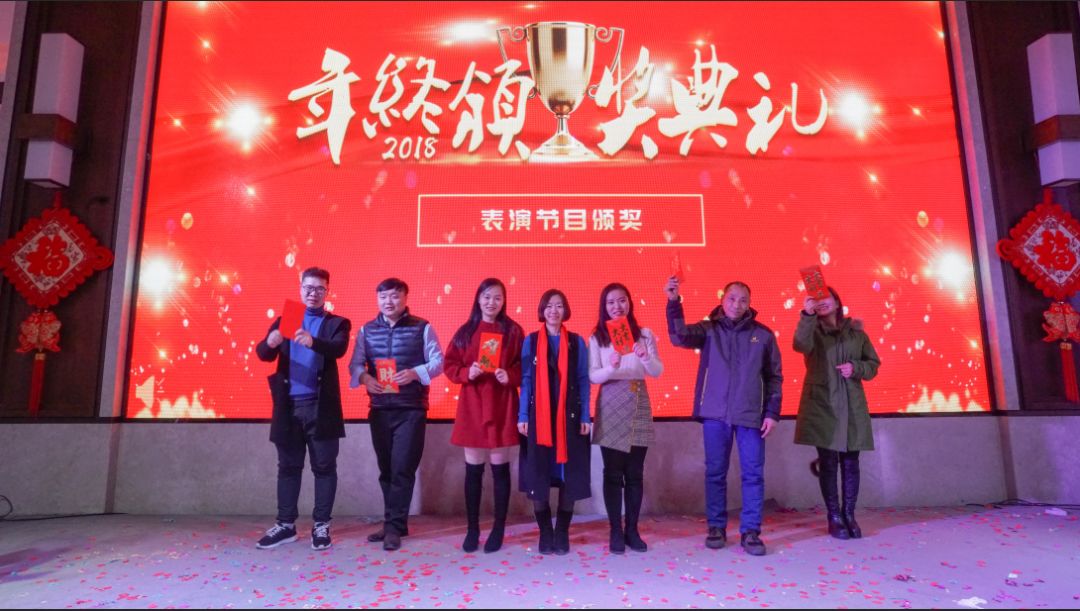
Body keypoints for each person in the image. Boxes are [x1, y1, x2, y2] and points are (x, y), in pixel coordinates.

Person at [665, 277, 782, 556]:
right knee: (715, 473)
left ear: (750, 304)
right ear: (722, 299)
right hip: (715, 413)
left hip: (751, 415)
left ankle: (751, 532)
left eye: (743, 300)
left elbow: (774, 377)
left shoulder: (763, 335)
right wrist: (673, 302)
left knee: (753, 475)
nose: (737, 304)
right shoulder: (709, 330)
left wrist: (772, 413)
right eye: (732, 298)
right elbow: (678, 336)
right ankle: (716, 527)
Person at [254, 267, 351, 551]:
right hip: (288, 407)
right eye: (308, 288)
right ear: (300, 289)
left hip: (321, 408)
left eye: (319, 289)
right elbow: (263, 354)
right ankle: (286, 525)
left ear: (327, 291)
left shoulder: (336, 323)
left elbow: (338, 349)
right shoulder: (289, 318)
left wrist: (313, 341)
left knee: (324, 467)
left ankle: (321, 525)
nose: (313, 293)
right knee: (288, 467)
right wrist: (270, 342)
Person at [349, 278, 444, 551]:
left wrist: (415, 373)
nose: (388, 302)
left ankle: (393, 527)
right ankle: (395, 522)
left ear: (405, 298)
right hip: (379, 409)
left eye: (394, 296)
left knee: (402, 468)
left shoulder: (422, 327)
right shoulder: (366, 330)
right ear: (377, 299)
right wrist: (365, 378)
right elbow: (355, 364)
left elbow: (439, 362)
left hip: (411, 409)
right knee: (387, 470)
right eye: (383, 297)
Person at [445, 278, 525, 553]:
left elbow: (524, 366)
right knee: (473, 470)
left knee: (500, 468)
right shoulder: (466, 331)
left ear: (504, 301)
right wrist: (467, 372)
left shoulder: (513, 331)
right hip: (473, 404)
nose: (492, 302)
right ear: (478, 299)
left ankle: (498, 528)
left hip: (501, 402)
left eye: (497, 298)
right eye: (487, 297)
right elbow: (450, 364)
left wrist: (510, 375)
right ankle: (473, 529)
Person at [793, 287, 880, 539]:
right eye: (816, 300)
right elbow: (799, 345)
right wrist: (806, 316)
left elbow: (873, 365)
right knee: (828, 462)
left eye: (826, 298)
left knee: (851, 462)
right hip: (822, 405)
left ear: (837, 301)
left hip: (852, 404)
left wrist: (856, 367)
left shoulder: (856, 332)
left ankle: (849, 515)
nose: (822, 302)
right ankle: (834, 517)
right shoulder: (812, 331)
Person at [589, 282, 663, 554]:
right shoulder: (597, 337)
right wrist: (611, 367)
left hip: (638, 399)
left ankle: (632, 529)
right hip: (610, 402)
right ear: (604, 307)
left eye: (621, 300)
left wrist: (644, 357)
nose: (617, 306)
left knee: (634, 473)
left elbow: (657, 371)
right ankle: (615, 530)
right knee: (612, 473)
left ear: (629, 303)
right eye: (610, 302)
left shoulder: (644, 334)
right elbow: (592, 375)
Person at [517, 289, 592, 556]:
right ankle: (545, 532)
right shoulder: (530, 341)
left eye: (559, 305)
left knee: (568, 475)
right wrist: (523, 415)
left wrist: (585, 416)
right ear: (542, 310)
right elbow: (526, 380)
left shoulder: (577, 342)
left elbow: (583, 380)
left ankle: (561, 531)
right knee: (538, 475)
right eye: (549, 306)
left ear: (565, 310)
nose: (554, 311)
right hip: (539, 418)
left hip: (569, 419)